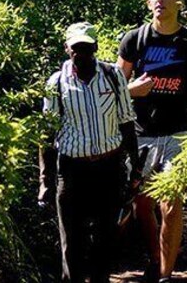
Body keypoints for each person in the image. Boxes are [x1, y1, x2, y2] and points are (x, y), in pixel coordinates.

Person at [117, 0, 187, 283]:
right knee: (143, 204)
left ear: (178, 3)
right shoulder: (134, 39)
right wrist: (133, 89)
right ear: (149, 2)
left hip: (180, 134)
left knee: (171, 203)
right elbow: (115, 89)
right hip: (141, 134)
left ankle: (166, 275)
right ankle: (157, 259)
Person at [38, 22, 141, 283]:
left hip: (109, 168)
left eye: (86, 47)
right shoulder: (56, 83)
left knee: (105, 239)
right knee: (72, 242)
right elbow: (47, 135)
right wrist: (44, 181)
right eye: (75, 48)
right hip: (72, 170)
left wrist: (135, 167)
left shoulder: (113, 75)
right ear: (67, 48)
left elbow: (127, 122)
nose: (81, 53)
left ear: (95, 47)